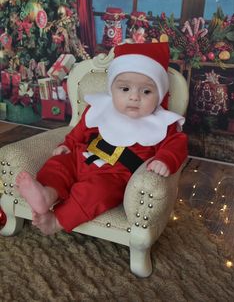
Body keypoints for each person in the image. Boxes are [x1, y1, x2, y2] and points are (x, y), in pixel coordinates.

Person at [15, 42, 188, 235]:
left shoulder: (163, 123)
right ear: (111, 89)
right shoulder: (100, 108)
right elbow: (80, 129)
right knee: (58, 165)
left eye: (146, 91)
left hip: (113, 176)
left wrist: (165, 159)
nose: (134, 97)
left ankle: (57, 221)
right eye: (124, 89)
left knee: (96, 194)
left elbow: (177, 144)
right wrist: (68, 144)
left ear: (160, 94)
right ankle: (47, 194)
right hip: (82, 157)